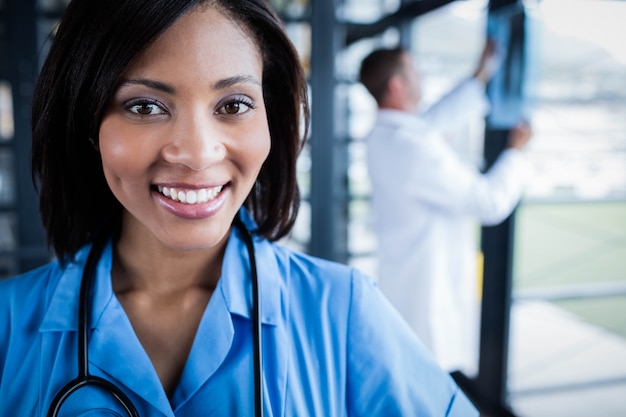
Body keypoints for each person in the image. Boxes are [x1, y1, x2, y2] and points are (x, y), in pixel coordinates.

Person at [0, 0, 479, 415]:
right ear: (89, 125)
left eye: (233, 105)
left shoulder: (344, 313)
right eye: (145, 106)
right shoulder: (7, 324)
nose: (197, 152)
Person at [359, 42, 532, 376]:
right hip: (428, 301)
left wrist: (479, 77)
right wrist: (516, 154)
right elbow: (489, 202)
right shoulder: (414, 147)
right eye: (415, 71)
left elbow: (432, 122)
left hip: (406, 288)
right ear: (397, 86)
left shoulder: (385, 136)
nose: (422, 77)